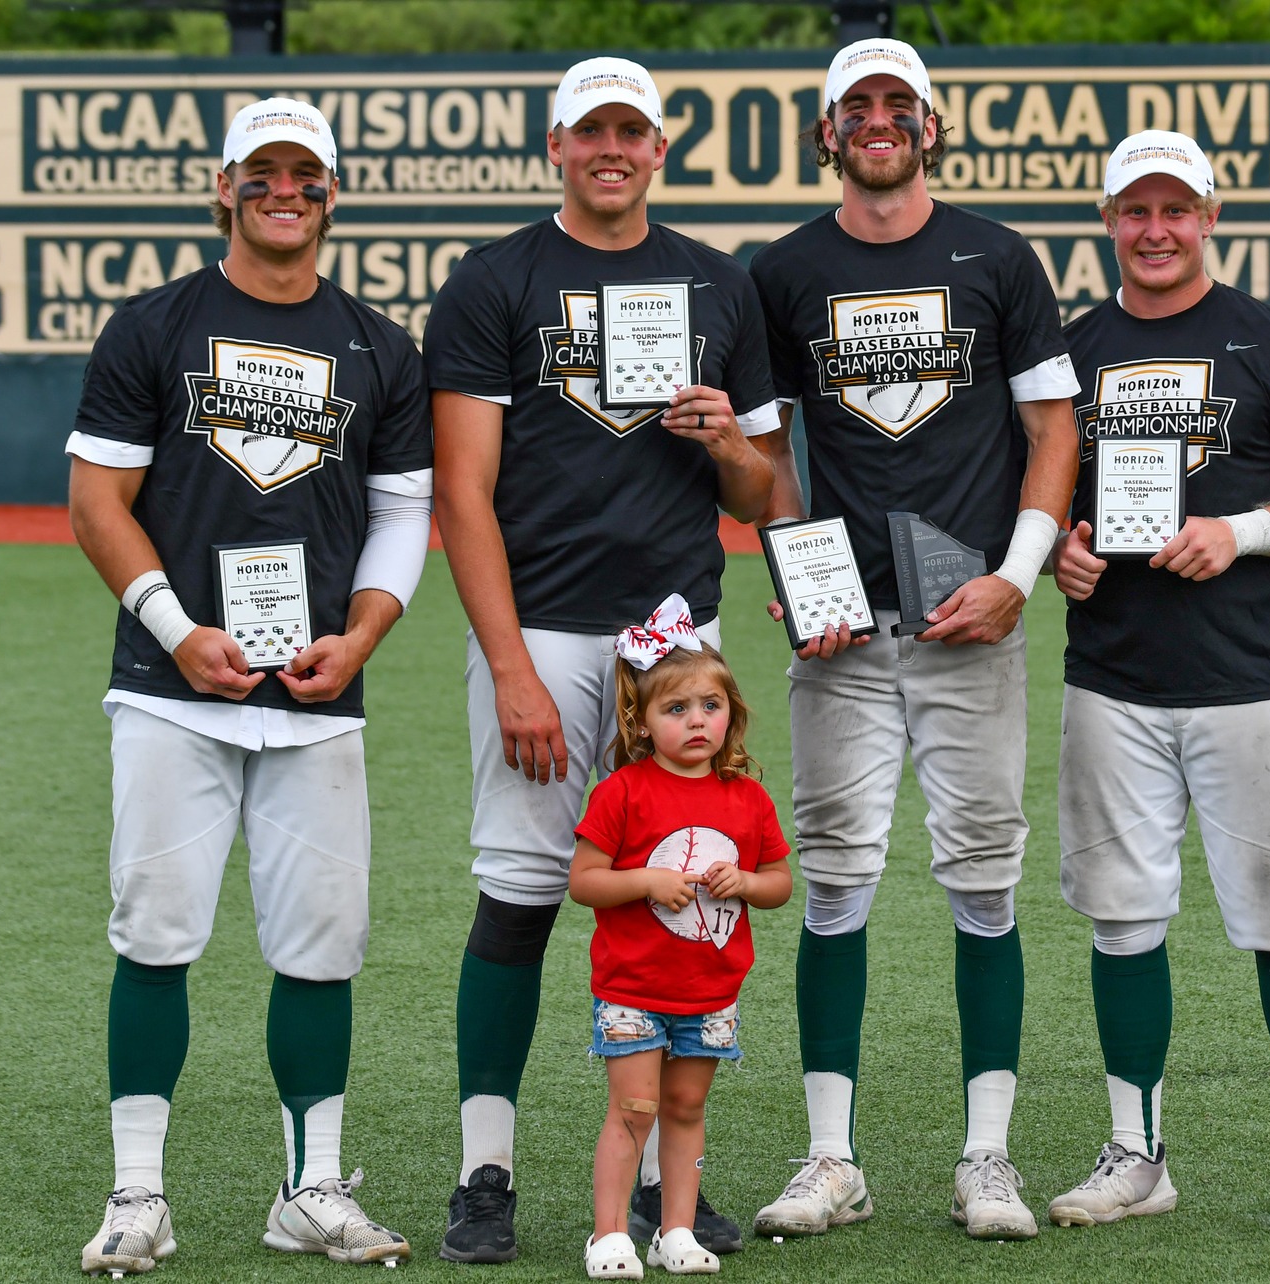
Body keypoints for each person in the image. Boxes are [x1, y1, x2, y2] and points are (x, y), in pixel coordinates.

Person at [425, 56, 779, 1263]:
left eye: (631, 130)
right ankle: (487, 1169)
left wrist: (726, 437)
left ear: (660, 146)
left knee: (684, 890)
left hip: (678, 641)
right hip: (546, 632)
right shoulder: (494, 280)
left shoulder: (717, 284)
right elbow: (463, 497)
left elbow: (760, 492)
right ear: (556, 144)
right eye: (591, 131)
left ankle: (661, 1190)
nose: (611, 148)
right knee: (522, 892)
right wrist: (511, 666)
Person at [68, 98, 429, 1275]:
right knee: (156, 936)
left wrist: (363, 636)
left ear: (334, 192)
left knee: (323, 947)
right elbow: (95, 504)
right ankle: (137, 1195)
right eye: (262, 172)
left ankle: (310, 1189)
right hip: (174, 688)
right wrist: (175, 631)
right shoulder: (154, 325)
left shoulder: (380, 344)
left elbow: (402, 513)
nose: (287, 191)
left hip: (316, 695)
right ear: (222, 185)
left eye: (306, 175)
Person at [747, 38, 1080, 1242]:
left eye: (898, 106)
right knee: (833, 881)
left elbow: (1052, 429)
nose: (876, 123)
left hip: (967, 621)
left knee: (982, 883)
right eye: (856, 108)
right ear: (826, 132)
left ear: (930, 126)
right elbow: (767, 447)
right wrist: (797, 572)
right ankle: (830, 1155)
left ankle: (984, 1156)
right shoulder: (781, 269)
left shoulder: (996, 256)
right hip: (842, 636)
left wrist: (1017, 577)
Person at [1046, 131, 1270, 1234]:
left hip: (1249, 678)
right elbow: (1035, 498)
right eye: (1133, 211)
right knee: (1121, 919)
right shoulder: (1068, 351)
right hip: (1113, 679)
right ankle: (1136, 1151)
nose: (1153, 230)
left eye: (1173, 209)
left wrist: (1237, 530)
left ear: (1210, 216)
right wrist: (1058, 552)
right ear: (1106, 224)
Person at [569, 596, 793, 1278]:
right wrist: (645, 880)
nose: (697, 721)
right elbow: (584, 881)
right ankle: (609, 1235)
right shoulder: (623, 793)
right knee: (634, 1108)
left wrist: (746, 884)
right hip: (634, 987)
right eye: (676, 709)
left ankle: (676, 1229)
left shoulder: (747, 797)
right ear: (640, 721)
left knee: (686, 1108)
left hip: (710, 991)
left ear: (731, 713)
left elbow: (780, 881)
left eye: (710, 706)